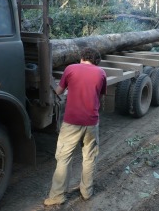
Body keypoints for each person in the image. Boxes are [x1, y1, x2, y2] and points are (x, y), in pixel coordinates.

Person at [44, 47, 107, 206]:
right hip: (91, 122)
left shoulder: (70, 68)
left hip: (72, 122)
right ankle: (86, 192)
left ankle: (57, 196)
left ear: (82, 57)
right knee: (89, 157)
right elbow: (100, 98)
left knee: (64, 158)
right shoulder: (101, 73)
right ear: (96, 61)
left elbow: (58, 92)